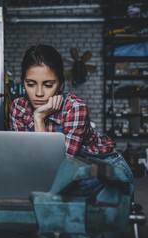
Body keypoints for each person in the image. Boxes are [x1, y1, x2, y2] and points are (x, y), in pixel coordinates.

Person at [9, 44, 134, 200]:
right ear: (23, 82)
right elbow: (23, 158)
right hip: (67, 176)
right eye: (31, 84)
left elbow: (57, 168)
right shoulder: (18, 108)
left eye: (48, 85)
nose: (39, 93)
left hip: (104, 175)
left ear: (60, 84)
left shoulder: (75, 108)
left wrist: (39, 117)